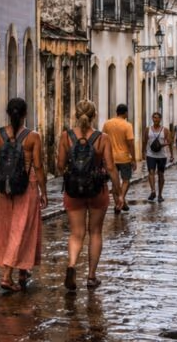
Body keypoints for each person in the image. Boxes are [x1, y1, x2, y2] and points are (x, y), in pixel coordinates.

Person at [0, 98, 46, 292]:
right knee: (23, 228)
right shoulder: (33, 136)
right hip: (28, 186)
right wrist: (44, 191)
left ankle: (22, 269)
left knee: (7, 228)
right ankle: (7, 275)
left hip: (4, 187)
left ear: (8, 113)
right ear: (25, 114)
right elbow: (38, 166)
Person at [58, 100, 115, 290]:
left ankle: (72, 265)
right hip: (97, 190)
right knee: (95, 232)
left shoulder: (66, 137)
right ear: (94, 116)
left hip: (73, 190)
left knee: (76, 233)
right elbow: (110, 167)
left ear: (76, 115)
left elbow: (59, 166)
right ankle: (91, 276)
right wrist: (118, 192)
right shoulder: (102, 138)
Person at [101, 103, 136, 213]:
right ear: (125, 113)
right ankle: (121, 199)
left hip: (110, 157)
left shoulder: (107, 124)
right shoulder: (127, 125)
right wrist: (134, 159)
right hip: (124, 157)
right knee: (126, 180)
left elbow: (102, 139)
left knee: (114, 182)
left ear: (116, 112)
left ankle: (118, 204)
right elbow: (130, 143)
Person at [143, 112, 169, 202]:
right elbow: (145, 141)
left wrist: (162, 145)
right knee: (151, 172)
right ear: (152, 118)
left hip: (162, 155)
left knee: (161, 174)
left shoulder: (165, 130)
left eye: (157, 118)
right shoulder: (147, 130)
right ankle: (153, 191)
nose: (156, 119)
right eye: (154, 118)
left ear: (160, 119)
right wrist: (143, 152)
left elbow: (169, 141)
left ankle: (160, 195)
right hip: (151, 154)